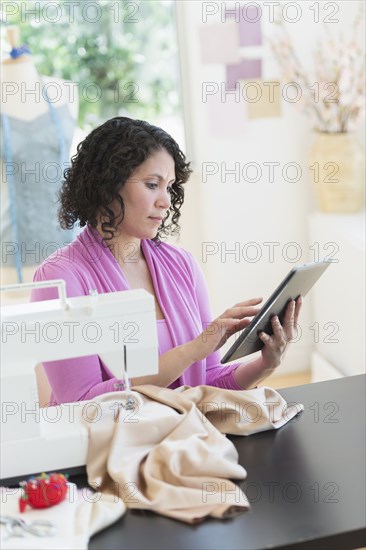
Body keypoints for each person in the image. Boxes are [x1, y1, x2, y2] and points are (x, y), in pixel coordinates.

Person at [31, 117, 302, 405]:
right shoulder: (59, 279)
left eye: (169, 187)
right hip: (108, 445)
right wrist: (192, 350)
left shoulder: (182, 264)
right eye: (152, 185)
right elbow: (81, 403)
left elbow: (207, 381)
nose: (165, 201)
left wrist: (265, 364)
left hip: (183, 436)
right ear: (107, 185)